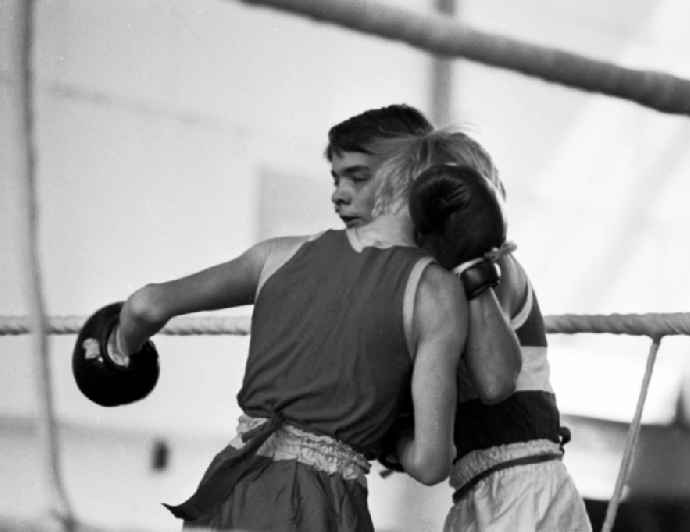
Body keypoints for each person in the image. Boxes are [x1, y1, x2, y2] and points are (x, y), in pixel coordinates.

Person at [103, 138, 472, 530]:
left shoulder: (278, 254)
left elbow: (146, 305)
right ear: (454, 207)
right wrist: (390, 437)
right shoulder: (436, 291)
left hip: (234, 480)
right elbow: (432, 465)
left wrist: (118, 350)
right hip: (319, 504)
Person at [325, 109, 590, 531]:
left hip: (526, 488)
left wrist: (471, 267)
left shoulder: (496, 265)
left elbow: (495, 381)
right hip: (476, 491)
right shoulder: (428, 290)